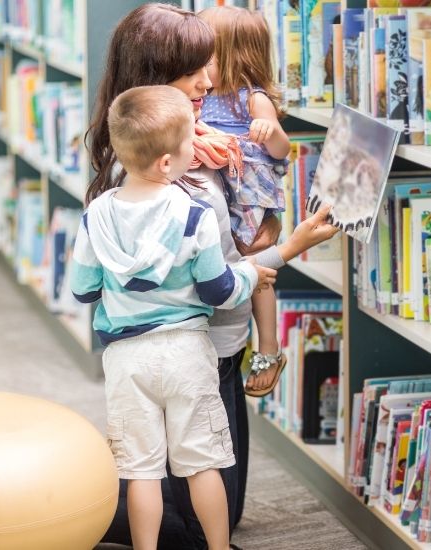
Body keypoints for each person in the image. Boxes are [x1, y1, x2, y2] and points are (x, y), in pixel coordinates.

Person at [89, 5, 338, 548]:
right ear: (155, 75)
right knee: (202, 502)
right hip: (202, 343)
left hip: (162, 346)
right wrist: (289, 245)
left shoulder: (139, 151)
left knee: (189, 477)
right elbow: (220, 282)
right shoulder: (186, 176)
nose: (210, 80)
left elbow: (88, 286)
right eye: (194, 71)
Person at [72, 85, 275, 550]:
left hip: (125, 358)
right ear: (168, 162)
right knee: (201, 463)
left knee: (140, 470)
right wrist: (250, 275)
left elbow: (83, 290)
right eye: (190, 143)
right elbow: (220, 290)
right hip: (186, 353)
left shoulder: (96, 215)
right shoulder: (195, 215)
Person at [195, 6, 290, 398]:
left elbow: (283, 150)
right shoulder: (202, 95)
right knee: (228, 267)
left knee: (255, 272)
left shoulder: (253, 100)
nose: (198, 66)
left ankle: (269, 348)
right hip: (221, 188)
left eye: (207, 56)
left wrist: (269, 132)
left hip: (248, 196)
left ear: (233, 58)